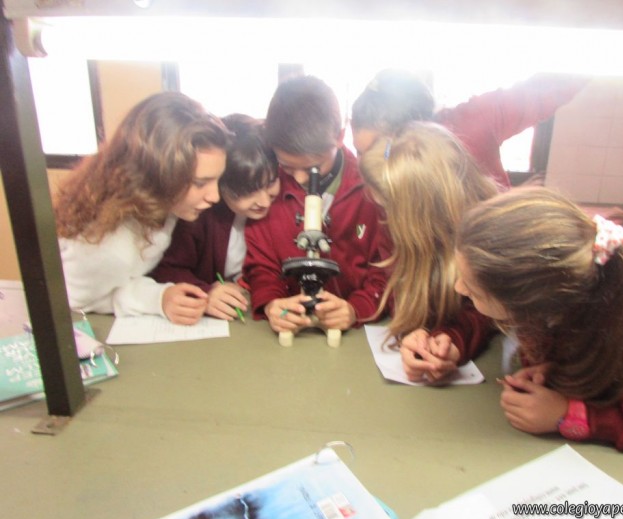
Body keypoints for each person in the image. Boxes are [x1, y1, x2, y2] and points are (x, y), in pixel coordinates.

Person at [454, 186, 623, 457]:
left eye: (473, 290)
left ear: (528, 300)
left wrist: (579, 416)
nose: (458, 288)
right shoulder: (568, 256)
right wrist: (559, 367)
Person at [54, 92, 229, 325]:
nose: (214, 196)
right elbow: (76, 301)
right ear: (156, 174)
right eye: (199, 183)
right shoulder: (105, 247)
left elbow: (132, 278)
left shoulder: (163, 204)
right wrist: (155, 300)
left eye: (217, 179)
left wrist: (162, 296)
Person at [243, 75, 388, 335]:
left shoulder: (371, 190)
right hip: (293, 327)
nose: (300, 179)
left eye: (313, 167)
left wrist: (356, 308)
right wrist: (272, 303)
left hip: (356, 333)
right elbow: (262, 265)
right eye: (287, 166)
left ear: (340, 136)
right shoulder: (269, 189)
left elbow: (386, 270)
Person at [359, 121, 499, 382]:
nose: (385, 217)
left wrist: (453, 340)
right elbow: (401, 290)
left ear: (422, 216)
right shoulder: (393, 224)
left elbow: (487, 310)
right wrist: (418, 334)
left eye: (389, 207)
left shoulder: (490, 236)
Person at [351, 69, 587, 189]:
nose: (363, 166)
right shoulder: (375, 186)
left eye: (373, 152)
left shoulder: (472, 125)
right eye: (358, 152)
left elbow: (549, 88)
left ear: (410, 137)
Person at [151, 114, 280, 322]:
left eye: (271, 183)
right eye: (248, 191)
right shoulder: (196, 216)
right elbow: (167, 268)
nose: (264, 201)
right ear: (220, 183)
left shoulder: (282, 207)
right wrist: (206, 291)